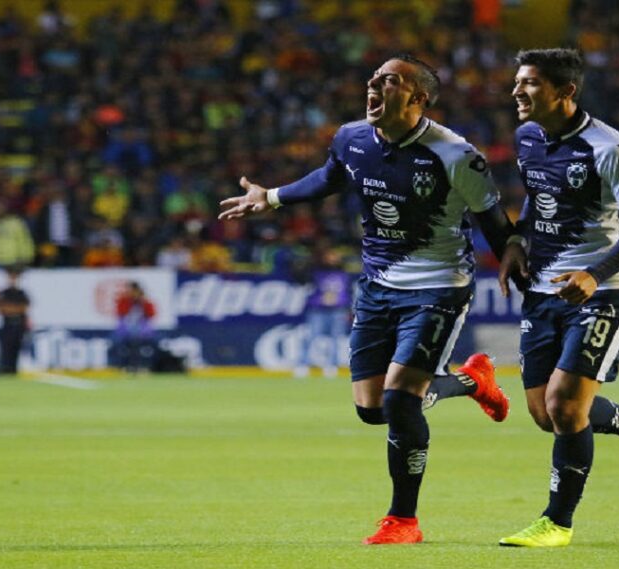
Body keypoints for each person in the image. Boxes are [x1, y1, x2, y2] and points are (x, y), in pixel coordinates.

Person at [219, 54, 515, 545]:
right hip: (377, 285)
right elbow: (330, 177)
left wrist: (520, 268)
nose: (374, 85)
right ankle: (471, 380)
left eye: (389, 80)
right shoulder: (351, 137)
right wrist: (270, 197)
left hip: (438, 285)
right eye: (374, 78)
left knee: (400, 399)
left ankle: (403, 520)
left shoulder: (456, 155)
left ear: (417, 98)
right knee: (373, 409)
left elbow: (494, 221)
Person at [496, 47, 619, 547]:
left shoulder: (613, 150)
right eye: (518, 81)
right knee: (546, 414)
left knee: (564, 405)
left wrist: (596, 275)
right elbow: (540, 197)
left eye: (530, 83)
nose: (517, 91)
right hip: (543, 289)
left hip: (602, 292)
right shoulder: (528, 137)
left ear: (565, 91)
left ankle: (557, 523)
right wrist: (516, 241)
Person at [293, 244, 352, 378]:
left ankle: (331, 365)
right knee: (311, 337)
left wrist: (349, 309)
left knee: (336, 339)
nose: (333, 258)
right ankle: (303, 364)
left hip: (338, 309)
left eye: (335, 256)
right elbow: (301, 279)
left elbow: (348, 292)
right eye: (330, 256)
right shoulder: (315, 270)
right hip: (318, 309)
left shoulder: (343, 272)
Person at [111, 281, 157, 372]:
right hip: (125, 331)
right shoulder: (124, 301)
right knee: (117, 342)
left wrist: (142, 302)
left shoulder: (145, 302)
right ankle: (122, 365)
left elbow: (151, 315)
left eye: (134, 291)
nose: (132, 293)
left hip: (143, 331)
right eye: (130, 291)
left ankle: (147, 366)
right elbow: (121, 316)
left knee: (151, 342)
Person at [0, 266, 31, 374]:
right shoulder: (3, 293)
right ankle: (5, 369)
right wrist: (14, 309)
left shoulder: (21, 293)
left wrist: (9, 309)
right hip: (7, 325)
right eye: (11, 277)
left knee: (17, 348)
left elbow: (24, 308)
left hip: (19, 325)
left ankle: (14, 370)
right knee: (5, 349)